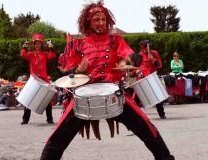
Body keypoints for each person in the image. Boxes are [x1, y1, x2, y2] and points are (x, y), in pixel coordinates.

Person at [40, 1, 174, 160]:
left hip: (114, 93)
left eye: (104, 19)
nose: (101, 23)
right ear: (88, 22)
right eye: (97, 19)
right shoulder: (76, 45)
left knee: (147, 128)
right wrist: (77, 70)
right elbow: (65, 73)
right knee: (57, 138)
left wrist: (126, 64)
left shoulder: (115, 40)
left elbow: (135, 58)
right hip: (84, 96)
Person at [20, 33, 56, 125]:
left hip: (43, 79)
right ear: (34, 45)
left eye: (39, 44)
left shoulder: (44, 55)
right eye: (36, 44)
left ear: (41, 45)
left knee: (47, 99)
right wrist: (25, 46)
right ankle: (25, 119)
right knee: (28, 99)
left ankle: (49, 119)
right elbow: (23, 54)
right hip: (34, 80)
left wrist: (50, 45)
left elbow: (53, 55)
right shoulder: (31, 54)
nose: (37, 45)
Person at [138, 40, 167, 119]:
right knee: (137, 96)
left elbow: (159, 65)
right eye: (143, 49)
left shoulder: (154, 53)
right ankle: (138, 116)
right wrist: (138, 72)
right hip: (142, 77)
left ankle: (161, 113)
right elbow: (135, 68)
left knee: (158, 96)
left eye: (146, 49)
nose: (145, 51)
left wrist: (154, 60)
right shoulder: (139, 55)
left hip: (152, 76)